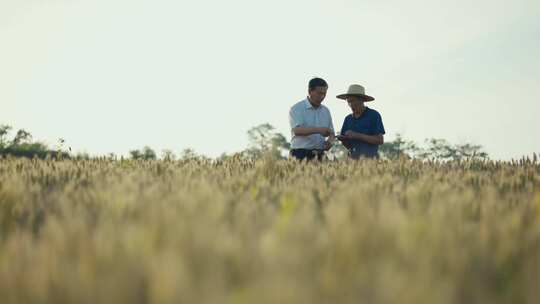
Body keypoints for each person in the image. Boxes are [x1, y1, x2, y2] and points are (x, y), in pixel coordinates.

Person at [289, 78, 335, 161]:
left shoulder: (326, 111)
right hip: (300, 154)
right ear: (310, 91)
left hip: (320, 154)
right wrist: (319, 130)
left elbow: (332, 133)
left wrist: (330, 142)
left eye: (324, 94)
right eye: (319, 93)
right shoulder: (296, 108)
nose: (322, 97)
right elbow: (297, 130)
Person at [336, 84, 385, 159]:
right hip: (352, 160)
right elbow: (348, 146)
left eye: (353, 101)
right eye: (349, 102)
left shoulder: (374, 115)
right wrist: (343, 140)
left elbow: (380, 140)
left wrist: (356, 135)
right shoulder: (348, 119)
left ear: (362, 100)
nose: (351, 104)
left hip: (371, 160)